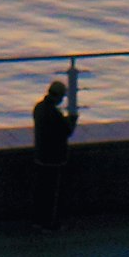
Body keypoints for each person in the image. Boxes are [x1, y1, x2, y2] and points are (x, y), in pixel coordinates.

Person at [29, 77, 75, 228]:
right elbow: (66, 131)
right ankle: (49, 223)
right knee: (52, 193)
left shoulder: (39, 108)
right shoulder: (54, 114)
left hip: (40, 154)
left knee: (41, 190)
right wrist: (72, 120)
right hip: (53, 157)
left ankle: (37, 220)